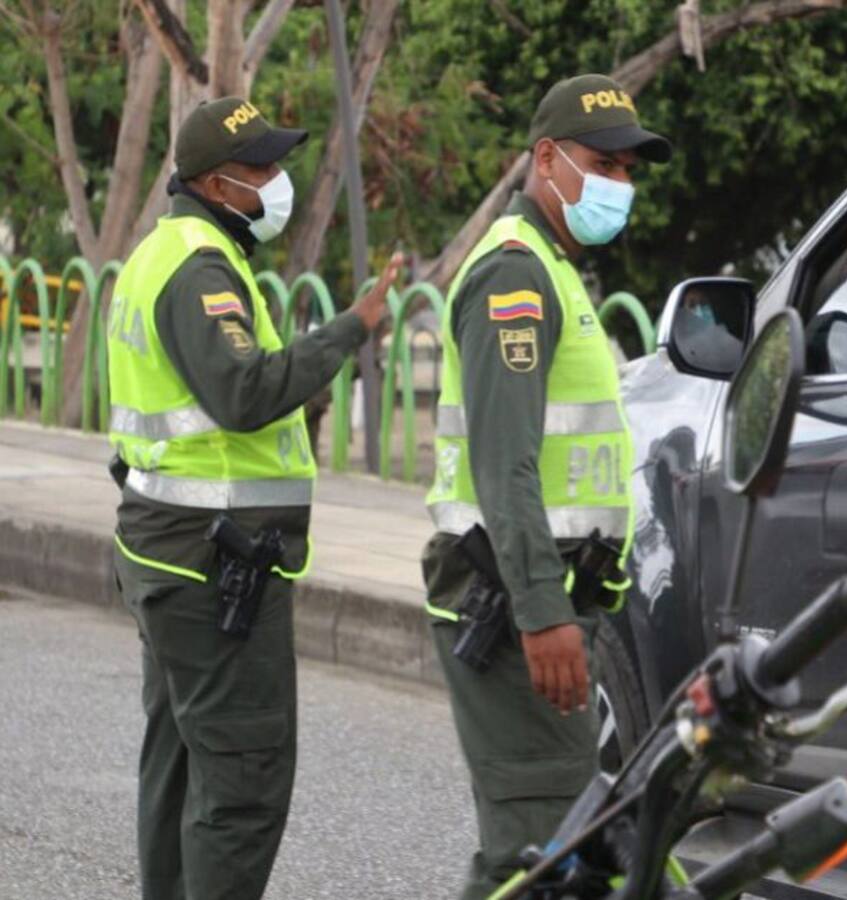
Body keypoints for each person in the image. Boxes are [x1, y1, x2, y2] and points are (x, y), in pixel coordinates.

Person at [106, 96, 402, 900]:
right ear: (213, 181)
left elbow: (208, 403)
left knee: (176, 769)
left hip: (170, 552)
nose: (279, 182)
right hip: (212, 566)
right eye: (262, 168)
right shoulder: (200, 265)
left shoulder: (161, 253)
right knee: (242, 785)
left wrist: (298, 401)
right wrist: (349, 330)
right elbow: (240, 392)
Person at [422, 74, 671, 898]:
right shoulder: (515, 279)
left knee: (552, 842)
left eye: (631, 170)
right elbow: (506, 464)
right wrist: (540, 613)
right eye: (605, 164)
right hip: (511, 603)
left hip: (549, 595)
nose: (620, 186)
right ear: (546, 160)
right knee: (537, 850)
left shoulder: (556, 272)